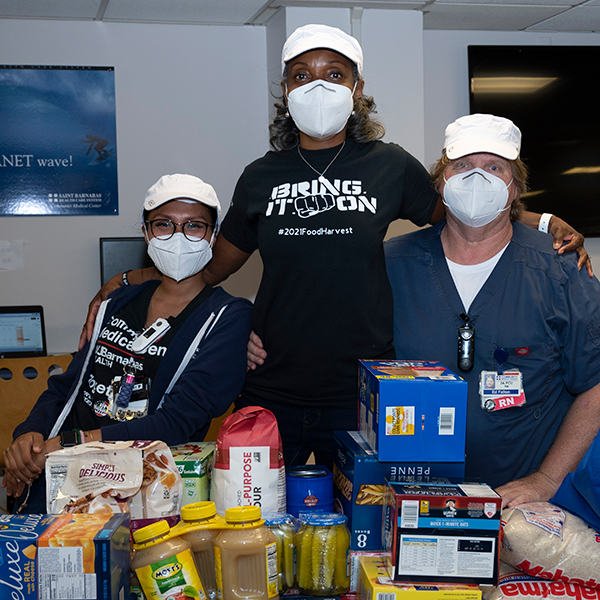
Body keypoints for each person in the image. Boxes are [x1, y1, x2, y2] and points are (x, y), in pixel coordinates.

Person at [82, 26, 589, 471]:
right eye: (302, 75)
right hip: (270, 384)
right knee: (256, 519)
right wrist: (135, 279)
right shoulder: (261, 176)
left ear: (357, 88)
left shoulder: (389, 165)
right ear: (285, 90)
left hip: (363, 392)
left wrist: (541, 218)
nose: (318, 84)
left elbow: (463, 205)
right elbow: (209, 270)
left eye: (334, 73)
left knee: (356, 535)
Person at [384, 114, 600, 508]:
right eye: (462, 165)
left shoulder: (561, 271)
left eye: (493, 167)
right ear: (440, 182)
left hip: (524, 507)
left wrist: (546, 480)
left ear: (515, 188)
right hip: (412, 502)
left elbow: (595, 385)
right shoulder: (391, 265)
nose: (476, 178)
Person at [2, 173, 252, 513]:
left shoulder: (226, 316)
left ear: (212, 236)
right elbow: (68, 388)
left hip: (137, 488)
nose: (179, 237)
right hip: (61, 476)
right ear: (146, 233)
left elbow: (177, 421)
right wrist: (29, 437)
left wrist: (68, 444)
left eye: (194, 226)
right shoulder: (117, 302)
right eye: (164, 224)